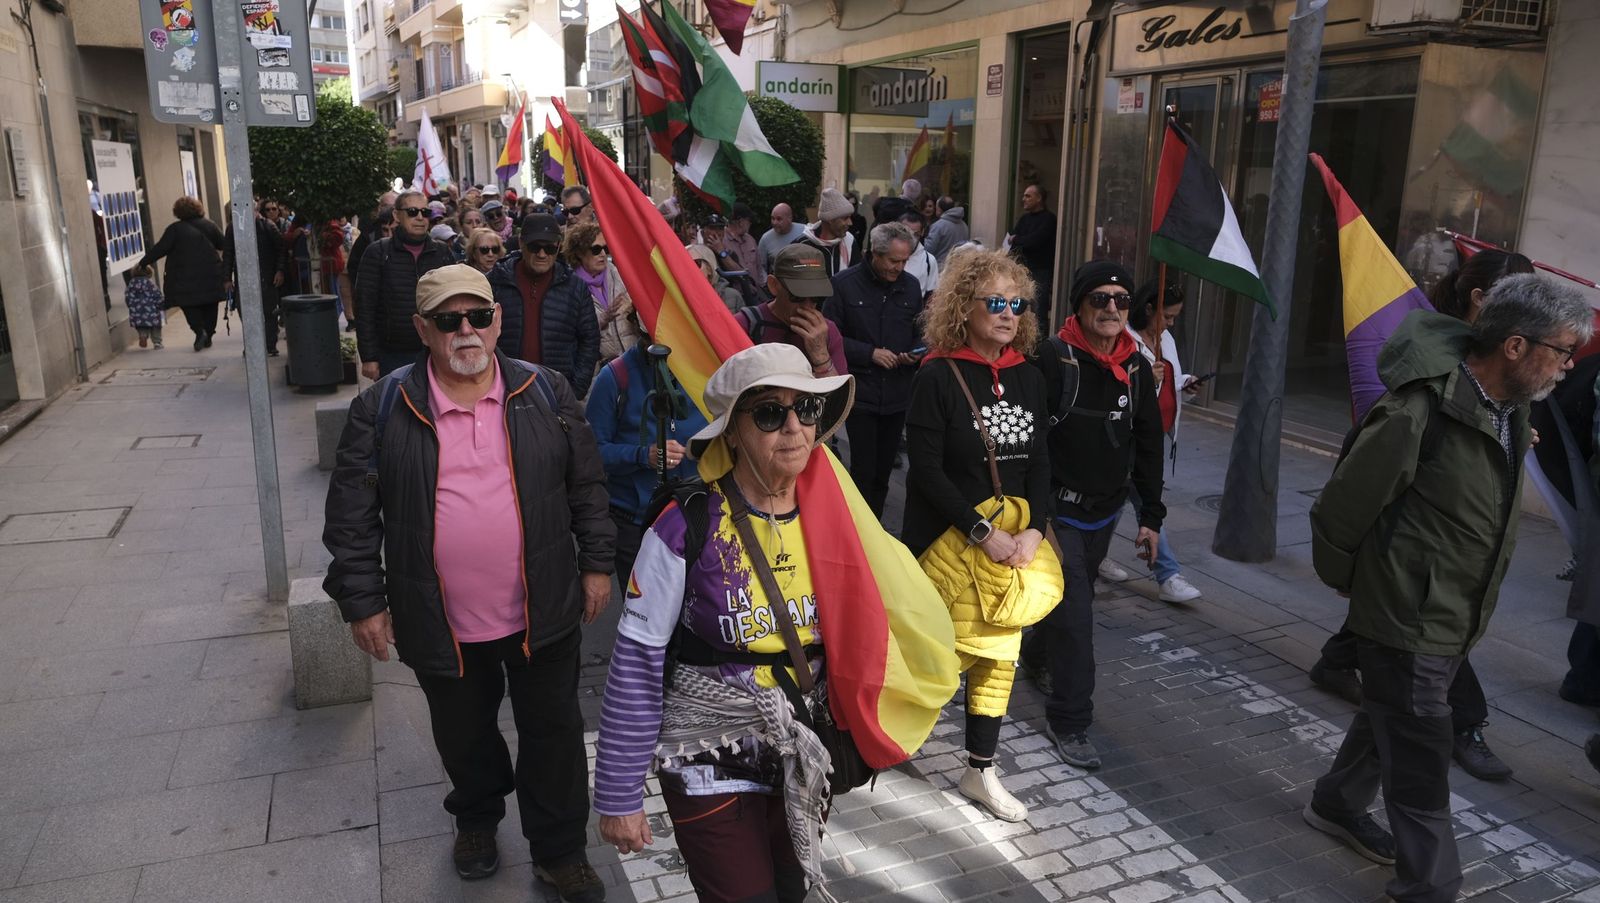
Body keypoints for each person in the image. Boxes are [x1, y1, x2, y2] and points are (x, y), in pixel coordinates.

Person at [322, 264, 614, 903]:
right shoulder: (383, 405)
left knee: (554, 734)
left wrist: (597, 563)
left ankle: (560, 852)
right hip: (439, 615)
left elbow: (586, 486)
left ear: (497, 320)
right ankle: (477, 820)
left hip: (543, 607)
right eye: (448, 320)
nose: (466, 331)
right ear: (422, 329)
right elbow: (350, 515)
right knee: (463, 731)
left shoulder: (546, 390)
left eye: (478, 316)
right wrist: (363, 602)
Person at [1304, 274, 1590, 902]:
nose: (1569, 366)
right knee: (1421, 766)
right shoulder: (1418, 411)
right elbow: (1340, 511)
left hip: (1455, 614)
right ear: (1515, 346)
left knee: (1392, 717)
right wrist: (1364, 593)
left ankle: (1334, 802)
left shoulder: (1512, 406)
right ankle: (1430, 887)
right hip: (1407, 621)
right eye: (1563, 350)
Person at [595, 342, 854, 903]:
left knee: (790, 890)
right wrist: (618, 792)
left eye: (805, 410)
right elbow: (637, 661)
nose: (792, 427)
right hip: (706, 753)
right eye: (768, 413)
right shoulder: (682, 524)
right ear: (732, 432)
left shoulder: (837, 515)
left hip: (801, 742)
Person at [1310, 248, 1536, 783]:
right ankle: (1462, 733)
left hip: (1439, 558)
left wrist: (1506, 433)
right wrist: (1345, 571)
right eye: (1521, 301)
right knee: (1419, 658)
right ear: (1481, 299)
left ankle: (1338, 796)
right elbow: (1361, 488)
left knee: (1399, 670)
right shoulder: (1437, 363)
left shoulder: (1508, 369)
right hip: (1417, 545)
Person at [903, 248, 1052, 822]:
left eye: (1018, 303)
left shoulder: (1030, 378)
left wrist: (1035, 532)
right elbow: (927, 470)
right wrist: (981, 531)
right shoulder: (938, 376)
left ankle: (980, 770)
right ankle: (881, 732)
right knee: (935, 658)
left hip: (1013, 550)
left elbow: (1039, 462)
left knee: (999, 659)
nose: (1009, 313)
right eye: (996, 302)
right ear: (964, 307)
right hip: (947, 544)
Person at [1020, 261, 1164, 769]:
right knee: (1078, 617)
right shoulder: (1051, 358)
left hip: (1106, 512)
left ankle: (1035, 657)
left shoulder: (1139, 369)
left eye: (1121, 300)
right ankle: (1071, 720)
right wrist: (1032, 516)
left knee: (1065, 611)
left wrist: (1151, 516)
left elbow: (1148, 444)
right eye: (1099, 299)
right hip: (1056, 513)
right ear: (1079, 306)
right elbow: (1027, 440)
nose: (1111, 308)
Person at [584, 313, 709, 588]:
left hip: (698, 517)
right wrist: (644, 455)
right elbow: (592, 454)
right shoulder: (616, 377)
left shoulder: (706, 369)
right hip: (636, 524)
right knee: (644, 619)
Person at [823, 222, 923, 517]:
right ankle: (859, 533)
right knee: (863, 472)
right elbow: (830, 336)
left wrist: (916, 352)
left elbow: (921, 330)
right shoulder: (843, 284)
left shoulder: (910, 285)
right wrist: (870, 354)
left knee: (884, 473)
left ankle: (876, 531)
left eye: (904, 261)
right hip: (861, 393)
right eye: (894, 261)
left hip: (897, 393)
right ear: (873, 255)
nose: (899, 268)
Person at [1123, 280, 1202, 603]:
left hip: (1158, 433)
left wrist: (1185, 383)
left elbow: (1168, 376)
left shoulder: (1165, 339)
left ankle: (1095, 557)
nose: (1170, 323)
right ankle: (1167, 574)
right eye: (1167, 316)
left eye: (1174, 317)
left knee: (1118, 498)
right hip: (1129, 436)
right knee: (1145, 499)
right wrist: (1141, 379)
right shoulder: (1124, 338)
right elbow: (1117, 384)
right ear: (1148, 309)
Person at [490, 213, 601, 396]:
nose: (542, 254)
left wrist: (575, 389)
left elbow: (589, 339)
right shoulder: (495, 282)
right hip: (505, 391)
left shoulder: (575, 287)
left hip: (557, 393)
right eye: (535, 247)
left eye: (549, 248)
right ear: (521, 244)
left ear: (558, 248)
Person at [356, 190, 456, 378]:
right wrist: (369, 357)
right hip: (392, 355)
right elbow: (364, 307)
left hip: (437, 351)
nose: (419, 217)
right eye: (412, 211)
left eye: (425, 212)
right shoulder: (377, 253)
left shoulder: (441, 252)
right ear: (396, 215)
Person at [735, 244, 848, 379]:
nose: (807, 306)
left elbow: (841, 397)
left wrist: (821, 355)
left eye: (816, 297)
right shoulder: (744, 324)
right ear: (774, 285)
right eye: (798, 297)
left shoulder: (826, 331)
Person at [138, 196, 226, 352]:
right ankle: (209, 335)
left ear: (177, 212)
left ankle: (199, 331)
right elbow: (223, 244)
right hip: (210, 274)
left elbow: (160, 249)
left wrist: (144, 262)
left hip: (183, 277)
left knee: (188, 304)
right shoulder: (209, 225)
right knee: (210, 304)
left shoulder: (174, 230)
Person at [561, 219, 638, 364]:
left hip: (633, 361)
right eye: (596, 250)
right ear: (579, 253)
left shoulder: (620, 274)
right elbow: (572, 331)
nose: (602, 254)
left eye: (605, 248)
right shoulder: (570, 287)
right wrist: (603, 319)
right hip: (600, 369)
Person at [221, 196, 287, 356]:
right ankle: (253, 345)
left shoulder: (267, 226)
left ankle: (270, 345)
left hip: (267, 276)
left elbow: (281, 249)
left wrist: (279, 271)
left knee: (268, 312)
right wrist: (227, 279)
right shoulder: (233, 228)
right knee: (246, 313)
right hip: (245, 278)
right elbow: (228, 254)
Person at [1007, 184, 1057, 322]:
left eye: (1028, 196)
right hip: (1021, 269)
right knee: (1019, 305)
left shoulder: (1048, 219)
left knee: (1038, 308)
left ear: (1039, 198)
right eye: (1024, 195)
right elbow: (1013, 240)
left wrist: (1017, 239)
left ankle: (1039, 340)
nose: (1024, 199)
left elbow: (1034, 240)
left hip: (1040, 270)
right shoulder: (1024, 219)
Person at [797, 189, 856, 277]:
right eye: (845, 218)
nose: (850, 223)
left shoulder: (850, 242)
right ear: (830, 220)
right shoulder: (802, 246)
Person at [688, 243, 745, 313]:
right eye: (685, 265)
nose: (690, 269)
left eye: (695, 264)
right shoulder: (681, 300)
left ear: (709, 268)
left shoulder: (733, 296)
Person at [897, 210, 940, 297]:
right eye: (906, 232)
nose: (911, 238)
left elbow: (931, 295)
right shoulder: (887, 256)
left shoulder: (929, 260)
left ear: (922, 232)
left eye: (915, 234)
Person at [723, 202, 766, 287]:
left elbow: (759, 268)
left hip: (757, 293)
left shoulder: (750, 240)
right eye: (749, 221)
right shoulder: (722, 241)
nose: (750, 224)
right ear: (741, 222)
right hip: (737, 294)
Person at [124, 264, 165, 349]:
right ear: (149, 273)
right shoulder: (150, 283)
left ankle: (143, 335)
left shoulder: (131, 283)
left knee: (141, 325)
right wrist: (160, 304)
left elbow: (128, 296)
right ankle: (157, 342)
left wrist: (131, 306)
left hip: (137, 310)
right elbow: (157, 294)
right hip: (152, 310)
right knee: (155, 326)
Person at [757, 202, 805, 273]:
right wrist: (767, 282)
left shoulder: (805, 232)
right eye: (773, 218)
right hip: (778, 281)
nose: (774, 223)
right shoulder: (765, 239)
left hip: (803, 278)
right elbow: (760, 266)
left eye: (779, 219)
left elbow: (815, 260)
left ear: (790, 218)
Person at [924, 197, 968, 264]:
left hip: (941, 268)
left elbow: (928, 250)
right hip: (958, 266)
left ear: (939, 209)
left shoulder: (938, 226)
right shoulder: (964, 225)